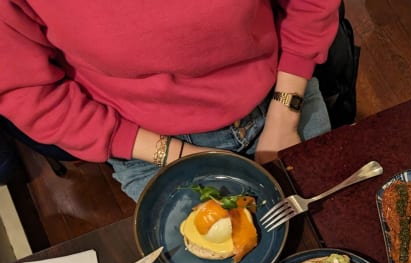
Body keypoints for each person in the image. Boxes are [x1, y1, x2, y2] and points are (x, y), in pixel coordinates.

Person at [0, 0, 341, 201]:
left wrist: (283, 117)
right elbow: (29, 92)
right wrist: (179, 156)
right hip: (146, 145)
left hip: (280, 94)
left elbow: (309, 5)